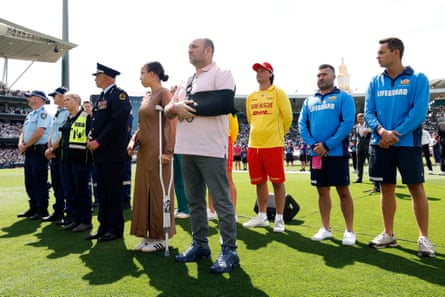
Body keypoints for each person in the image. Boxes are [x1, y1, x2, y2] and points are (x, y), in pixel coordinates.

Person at [164, 38, 239, 273]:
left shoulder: (222, 73)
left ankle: (230, 250)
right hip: (186, 148)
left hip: (210, 149)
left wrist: (187, 106)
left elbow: (224, 102)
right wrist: (175, 108)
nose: (189, 51)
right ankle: (200, 244)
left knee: (221, 201)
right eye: (188, 48)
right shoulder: (187, 79)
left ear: (208, 51)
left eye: (194, 48)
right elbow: (168, 110)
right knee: (195, 201)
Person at [365, 37, 435, 257]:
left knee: (416, 188)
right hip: (381, 143)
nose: (377, 56)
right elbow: (369, 113)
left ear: (396, 53)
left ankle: (424, 238)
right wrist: (381, 132)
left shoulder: (418, 79)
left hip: (406, 144)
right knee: (386, 189)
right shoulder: (374, 81)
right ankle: (389, 234)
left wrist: (395, 134)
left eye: (381, 52)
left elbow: (419, 112)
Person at [298, 64, 356, 246]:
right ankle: (325, 228)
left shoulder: (343, 97)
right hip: (316, 154)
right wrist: (314, 145)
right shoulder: (309, 100)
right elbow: (302, 124)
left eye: (325, 74)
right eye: (319, 75)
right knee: (322, 191)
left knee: (343, 191)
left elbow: (347, 123)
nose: (321, 77)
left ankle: (349, 230)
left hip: (336, 153)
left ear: (333, 77)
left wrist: (327, 144)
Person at [127, 61, 176, 252]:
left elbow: (171, 123)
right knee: (142, 191)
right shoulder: (147, 96)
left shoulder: (164, 94)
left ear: (153, 74)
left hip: (158, 150)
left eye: (142, 73)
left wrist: (168, 151)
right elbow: (141, 125)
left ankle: (160, 237)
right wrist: (133, 141)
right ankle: (146, 235)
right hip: (145, 151)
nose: (140, 77)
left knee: (158, 192)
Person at [242, 62, 292, 233]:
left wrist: (277, 134)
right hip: (254, 145)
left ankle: (279, 218)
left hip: (273, 144)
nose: (259, 73)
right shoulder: (251, 97)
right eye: (257, 70)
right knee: (259, 182)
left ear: (270, 74)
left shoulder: (278, 93)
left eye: (263, 71)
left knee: (277, 182)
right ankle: (262, 216)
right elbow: (251, 119)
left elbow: (288, 118)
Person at [86, 63, 131, 242]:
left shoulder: (119, 95)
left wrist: (99, 141)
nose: (95, 79)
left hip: (112, 153)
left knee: (113, 192)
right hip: (101, 153)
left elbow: (116, 123)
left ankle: (114, 229)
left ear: (107, 77)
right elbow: (97, 122)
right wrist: (92, 137)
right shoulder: (102, 96)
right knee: (103, 192)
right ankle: (103, 226)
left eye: (97, 75)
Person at [60, 92, 93, 232]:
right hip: (68, 160)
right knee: (71, 191)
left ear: (77, 101)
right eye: (64, 100)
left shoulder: (86, 116)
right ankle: (75, 219)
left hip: (81, 160)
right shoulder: (68, 118)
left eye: (68, 100)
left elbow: (91, 135)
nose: (65, 102)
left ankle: (85, 221)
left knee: (82, 191)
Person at [17, 90, 52, 220]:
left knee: (39, 181)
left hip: (38, 150)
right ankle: (33, 207)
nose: (28, 100)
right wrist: (21, 143)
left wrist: (25, 146)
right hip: (30, 150)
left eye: (30, 97)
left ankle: (42, 210)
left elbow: (39, 132)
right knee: (29, 181)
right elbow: (24, 131)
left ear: (38, 99)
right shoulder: (31, 114)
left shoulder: (43, 113)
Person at [42, 87, 70, 224]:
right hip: (53, 151)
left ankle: (66, 212)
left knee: (65, 184)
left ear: (62, 96)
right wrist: (49, 148)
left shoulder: (67, 113)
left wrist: (52, 148)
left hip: (61, 151)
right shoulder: (57, 113)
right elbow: (52, 133)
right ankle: (58, 211)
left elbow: (63, 133)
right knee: (56, 183)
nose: (53, 98)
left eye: (55, 95)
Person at [207, 113, 239, 220]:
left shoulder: (228, 106)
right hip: (211, 141)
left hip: (225, 139)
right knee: (211, 176)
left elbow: (234, 129)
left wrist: (228, 141)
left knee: (228, 177)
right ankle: (211, 210)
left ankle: (233, 212)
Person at [169, 86, 190, 219]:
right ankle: (182, 206)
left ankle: (188, 208)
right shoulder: (171, 109)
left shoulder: (183, 108)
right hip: (175, 145)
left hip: (183, 146)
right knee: (177, 178)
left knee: (184, 178)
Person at [82, 100, 100, 208]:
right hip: (85, 153)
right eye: (85, 107)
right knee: (87, 179)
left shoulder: (96, 120)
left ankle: (98, 199)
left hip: (94, 152)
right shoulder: (82, 120)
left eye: (88, 106)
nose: (87, 109)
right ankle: (90, 199)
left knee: (96, 178)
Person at [354, 113, 372, 183]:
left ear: (364, 118)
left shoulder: (368, 125)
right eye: (359, 119)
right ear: (357, 119)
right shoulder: (356, 126)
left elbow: (373, 130)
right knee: (359, 163)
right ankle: (359, 178)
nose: (360, 120)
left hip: (367, 146)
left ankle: (372, 178)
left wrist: (368, 130)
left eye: (361, 118)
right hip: (359, 147)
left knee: (370, 162)